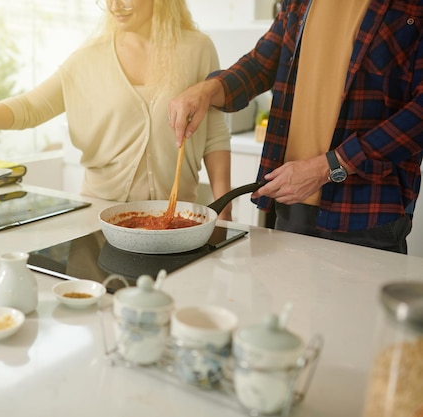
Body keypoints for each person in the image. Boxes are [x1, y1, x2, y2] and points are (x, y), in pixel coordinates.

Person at [0, 0, 232, 218]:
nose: (116, 5)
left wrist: (224, 209)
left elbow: (215, 134)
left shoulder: (197, 49)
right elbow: (30, 107)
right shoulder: (87, 59)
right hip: (101, 215)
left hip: (177, 217)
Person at [168, 0, 423, 253]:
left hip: (370, 210)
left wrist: (329, 166)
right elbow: (260, 65)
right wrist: (209, 89)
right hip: (291, 199)